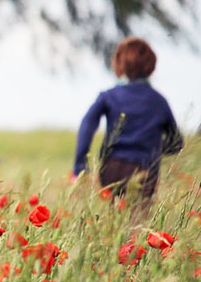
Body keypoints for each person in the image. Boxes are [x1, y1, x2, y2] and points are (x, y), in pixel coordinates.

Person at [72, 37, 183, 205]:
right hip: (145, 170)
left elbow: (87, 125)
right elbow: (176, 143)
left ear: (119, 64)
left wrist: (80, 166)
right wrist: (153, 149)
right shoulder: (159, 101)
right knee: (138, 222)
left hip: (111, 168)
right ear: (150, 67)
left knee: (114, 218)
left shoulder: (109, 96)